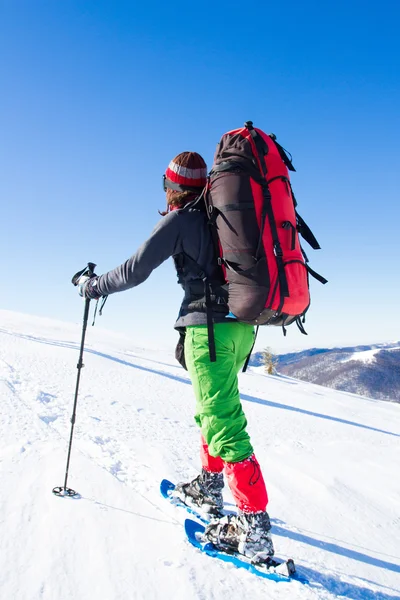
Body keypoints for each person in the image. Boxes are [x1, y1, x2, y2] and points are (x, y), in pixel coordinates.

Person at [78, 151, 274, 563]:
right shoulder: (219, 216)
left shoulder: (181, 220)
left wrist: (92, 286)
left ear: (173, 189)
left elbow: (133, 270)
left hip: (211, 333)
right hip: (240, 329)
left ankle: (253, 531)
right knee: (212, 411)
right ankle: (209, 484)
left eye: (166, 189)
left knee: (225, 426)